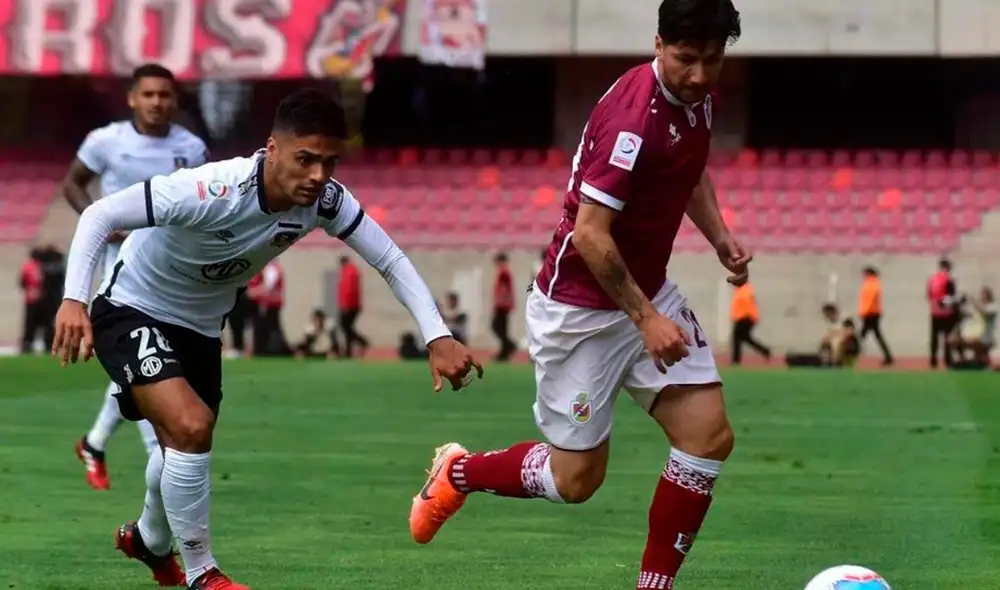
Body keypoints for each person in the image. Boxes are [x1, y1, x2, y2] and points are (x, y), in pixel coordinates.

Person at [52, 88, 482, 590]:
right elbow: (98, 215)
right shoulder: (209, 189)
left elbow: (387, 258)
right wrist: (73, 300)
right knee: (190, 428)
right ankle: (202, 573)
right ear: (272, 149)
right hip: (131, 307)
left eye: (329, 162)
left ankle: (149, 539)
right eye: (305, 159)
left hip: (201, 327)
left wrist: (437, 335)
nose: (318, 176)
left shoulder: (325, 201)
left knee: (180, 449)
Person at [409, 2, 745, 588]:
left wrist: (718, 237)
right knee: (577, 481)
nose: (698, 75)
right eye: (686, 59)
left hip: (645, 293)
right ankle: (458, 471)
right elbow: (590, 235)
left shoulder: (696, 100)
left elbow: (688, 169)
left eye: (711, 61)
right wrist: (645, 320)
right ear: (659, 42)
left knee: (708, 436)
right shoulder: (631, 120)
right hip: (580, 310)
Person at [61, 63, 209, 491]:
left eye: (165, 95)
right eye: (149, 95)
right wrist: (103, 222)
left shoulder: (192, 148)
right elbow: (73, 184)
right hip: (118, 265)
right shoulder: (106, 141)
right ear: (132, 98)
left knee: (143, 360)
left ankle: (95, 442)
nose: (157, 103)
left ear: (175, 100)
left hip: (170, 270)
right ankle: (155, 453)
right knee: (142, 357)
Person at [949, 287, 996, 368]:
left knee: (978, 352)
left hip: (985, 337)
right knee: (952, 339)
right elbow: (966, 314)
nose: (981, 297)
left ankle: (980, 360)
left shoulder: (992, 307)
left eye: (984, 295)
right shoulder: (976, 308)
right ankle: (963, 359)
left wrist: (973, 300)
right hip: (971, 335)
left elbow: (984, 311)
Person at [857, 266, 893, 366]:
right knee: (872, 336)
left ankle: (851, 354)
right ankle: (888, 357)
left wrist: (864, 312)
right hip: (871, 313)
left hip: (870, 314)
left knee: (861, 336)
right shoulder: (871, 283)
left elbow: (870, 300)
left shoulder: (871, 284)